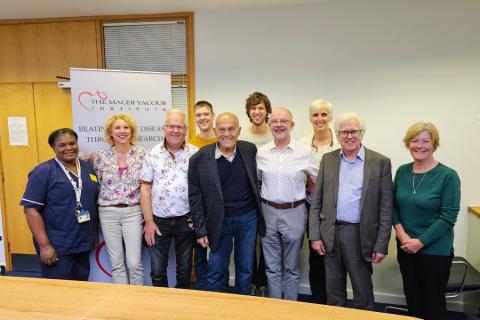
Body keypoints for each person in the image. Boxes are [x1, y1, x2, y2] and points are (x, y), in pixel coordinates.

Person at [309, 112, 392, 310]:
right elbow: (316, 201)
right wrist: (315, 235)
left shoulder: (380, 162)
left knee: (363, 292)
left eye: (354, 131)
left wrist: (381, 244)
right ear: (337, 135)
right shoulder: (328, 160)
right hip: (330, 234)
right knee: (334, 292)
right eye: (344, 132)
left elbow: (386, 208)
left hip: (360, 235)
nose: (349, 136)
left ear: (362, 133)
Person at [188, 113, 265, 295]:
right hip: (218, 221)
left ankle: (242, 309)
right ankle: (216, 310)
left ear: (239, 131)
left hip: (247, 218)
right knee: (216, 269)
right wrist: (200, 229)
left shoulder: (249, 150)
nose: (226, 134)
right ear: (215, 131)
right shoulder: (199, 159)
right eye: (221, 129)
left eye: (231, 129)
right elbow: (195, 196)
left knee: (245, 268)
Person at [393, 122, 460, 320]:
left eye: (425, 141)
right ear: (408, 144)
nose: (419, 146)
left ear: (434, 145)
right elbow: (394, 205)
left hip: (435, 251)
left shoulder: (448, 175)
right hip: (405, 246)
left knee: (433, 305)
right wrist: (401, 234)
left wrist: (420, 242)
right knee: (413, 300)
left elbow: (448, 217)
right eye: (414, 141)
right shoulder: (402, 171)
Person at [21, 128, 99, 280]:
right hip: (57, 244)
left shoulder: (87, 168)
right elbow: (30, 210)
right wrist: (44, 246)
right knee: (58, 291)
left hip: (83, 241)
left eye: (72, 143)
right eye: (62, 145)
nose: (68, 148)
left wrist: (93, 233)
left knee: (81, 286)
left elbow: (92, 202)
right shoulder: (43, 171)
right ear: (53, 147)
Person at [257, 108, 318, 301]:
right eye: (274, 121)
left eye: (284, 121)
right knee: (271, 267)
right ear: (269, 126)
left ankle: (291, 309)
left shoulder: (305, 151)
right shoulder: (261, 152)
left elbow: (319, 181)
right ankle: (276, 309)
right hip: (267, 212)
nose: (279, 125)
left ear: (291, 125)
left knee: (292, 267)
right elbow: (258, 179)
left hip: (295, 212)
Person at [140, 109, 198, 288]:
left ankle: (181, 307)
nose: (175, 130)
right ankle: (161, 309)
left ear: (186, 129)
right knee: (157, 271)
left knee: (185, 269)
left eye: (180, 126)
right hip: (158, 221)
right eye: (171, 126)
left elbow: (204, 189)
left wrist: (197, 216)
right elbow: (145, 190)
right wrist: (149, 222)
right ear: (164, 128)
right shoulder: (152, 154)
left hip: (186, 221)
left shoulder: (196, 154)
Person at [91, 113, 148, 285]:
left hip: (134, 211)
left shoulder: (143, 154)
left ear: (132, 131)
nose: (122, 131)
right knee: (116, 264)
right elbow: (97, 186)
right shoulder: (99, 156)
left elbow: (148, 187)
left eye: (126, 127)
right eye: (117, 127)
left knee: (134, 262)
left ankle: (138, 302)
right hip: (108, 213)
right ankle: (121, 303)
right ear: (110, 132)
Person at [299, 99, 340, 304]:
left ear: (330, 117)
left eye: (324, 114)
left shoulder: (341, 142)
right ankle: (318, 302)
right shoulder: (302, 142)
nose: (320, 119)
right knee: (315, 255)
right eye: (315, 115)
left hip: (335, 207)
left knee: (333, 255)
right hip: (310, 205)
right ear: (310, 118)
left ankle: (334, 302)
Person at [238, 92, 273, 297]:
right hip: (247, 197)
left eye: (260, 108)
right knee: (249, 242)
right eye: (253, 108)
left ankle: (263, 282)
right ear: (248, 112)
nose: (257, 111)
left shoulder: (274, 133)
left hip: (269, 197)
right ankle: (251, 282)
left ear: (266, 110)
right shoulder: (242, 136)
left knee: (267, 242)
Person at [187, 100, 217, 291]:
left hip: (218, 208)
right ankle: (203, 291)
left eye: (206, 114)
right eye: (199, 115)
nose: (203, 118)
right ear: (195, 119)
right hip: (198, 208)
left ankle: (215, 290)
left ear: (213, 116)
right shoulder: (190, 145)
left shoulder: (222, 140)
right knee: (199, 253)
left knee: (217, 254)